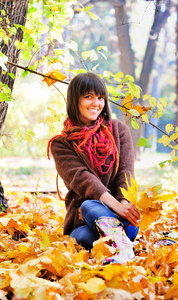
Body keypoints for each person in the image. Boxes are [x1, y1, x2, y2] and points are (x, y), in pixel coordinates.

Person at [47, 72, 141, 264]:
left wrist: (123, 206)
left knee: (110, 229)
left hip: (122, 217)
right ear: (75, 100)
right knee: (84, 224)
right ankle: (122, 246)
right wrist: (113, 205)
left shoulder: (118, 130)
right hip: (84, 218)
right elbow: (83, 180)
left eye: (100, 98)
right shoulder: (61, 144)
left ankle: (120, 246)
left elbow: (126, 174)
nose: (96, 103)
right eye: (88, 96)